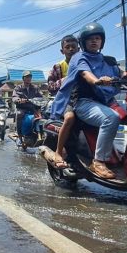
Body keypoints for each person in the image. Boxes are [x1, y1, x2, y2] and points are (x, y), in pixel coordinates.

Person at [51, 22, 120, 179]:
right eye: (90, 39)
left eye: (97, 38)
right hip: (75, 97)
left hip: (102, 99)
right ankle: (60, 151)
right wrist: (97, 80)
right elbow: (85, 73)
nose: (94, 41)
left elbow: (119, 72)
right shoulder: (76, 59)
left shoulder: (106, 59)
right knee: (70, 118)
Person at [45, 35, 81, 169]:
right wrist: (65, 80)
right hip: (65, 101)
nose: (71, 49)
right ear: (62, 51)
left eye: (74, 47)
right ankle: (60, 152)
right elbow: (50, 87)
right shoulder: (58, 67)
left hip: (86, 98)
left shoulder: (85, 61)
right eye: (67, 47)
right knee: (70, 118)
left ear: (79, 48)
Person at [13, 70, 41, 144]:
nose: (29, 78)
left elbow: (40, 97)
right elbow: (14, 97)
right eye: (27, 77)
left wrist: (43, 101)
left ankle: (39, 135)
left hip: (33, 108)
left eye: (30, 77)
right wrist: (19, 100)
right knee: (19, 114)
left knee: (41, 115)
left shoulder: (35, 88)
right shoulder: (18, 88)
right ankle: (20, 136)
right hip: (22, 108)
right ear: (23, 78)